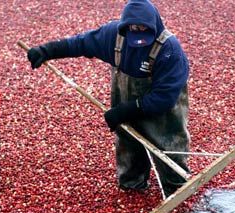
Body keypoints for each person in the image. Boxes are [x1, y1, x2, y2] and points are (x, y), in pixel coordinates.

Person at [27, 0, 190, 197]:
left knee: (170, 154)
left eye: (143, 29)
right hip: (127, 112)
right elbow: (80, 43)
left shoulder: (169, 49)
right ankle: (133, 188)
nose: (137, 33)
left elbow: (165, 97)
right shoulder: (114, 37)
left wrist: (124, 110)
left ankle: (176, 190)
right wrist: (47, 51)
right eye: (133, 29)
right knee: (130, 152)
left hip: (163, 117)